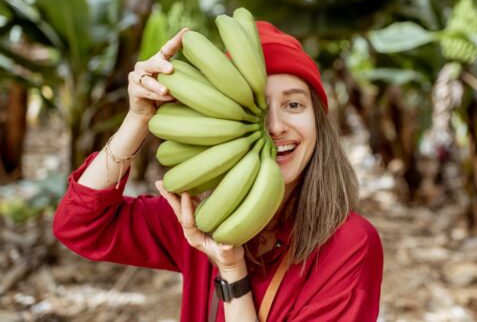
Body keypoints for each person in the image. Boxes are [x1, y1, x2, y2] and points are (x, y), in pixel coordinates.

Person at [53, 20, 384, 321]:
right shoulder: (198, 216)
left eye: (293, 104)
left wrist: (231, 270)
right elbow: (79, 225)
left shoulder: (349, 245)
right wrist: (137, 119)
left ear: (318, 122)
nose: (274, 126)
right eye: (254, 108)